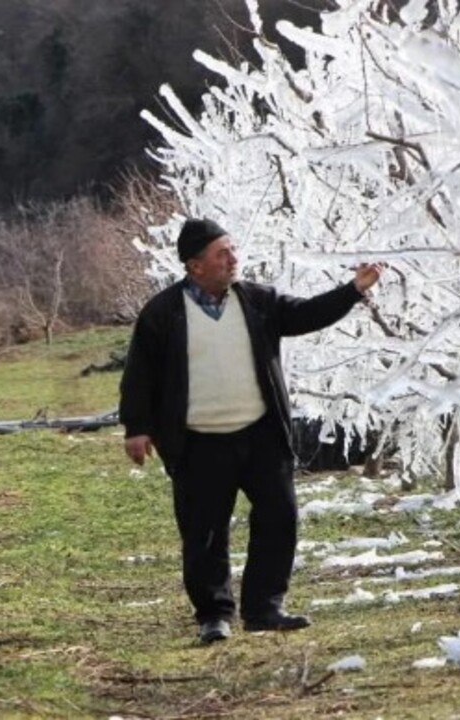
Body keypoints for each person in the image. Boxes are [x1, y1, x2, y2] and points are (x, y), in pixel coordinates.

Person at [119, 218, 382, 644]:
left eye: (233, 250)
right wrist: (137, 428)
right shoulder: (163, 313)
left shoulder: (258, 301)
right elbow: (140, 374)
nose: (233, 259)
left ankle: (265, 607)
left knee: (280, 517)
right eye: (222, 253)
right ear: (195, 265)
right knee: (204, 531)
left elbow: (305, 314)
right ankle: (214, 614)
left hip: (261, 434)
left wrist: (353, 290)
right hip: (198, 440)